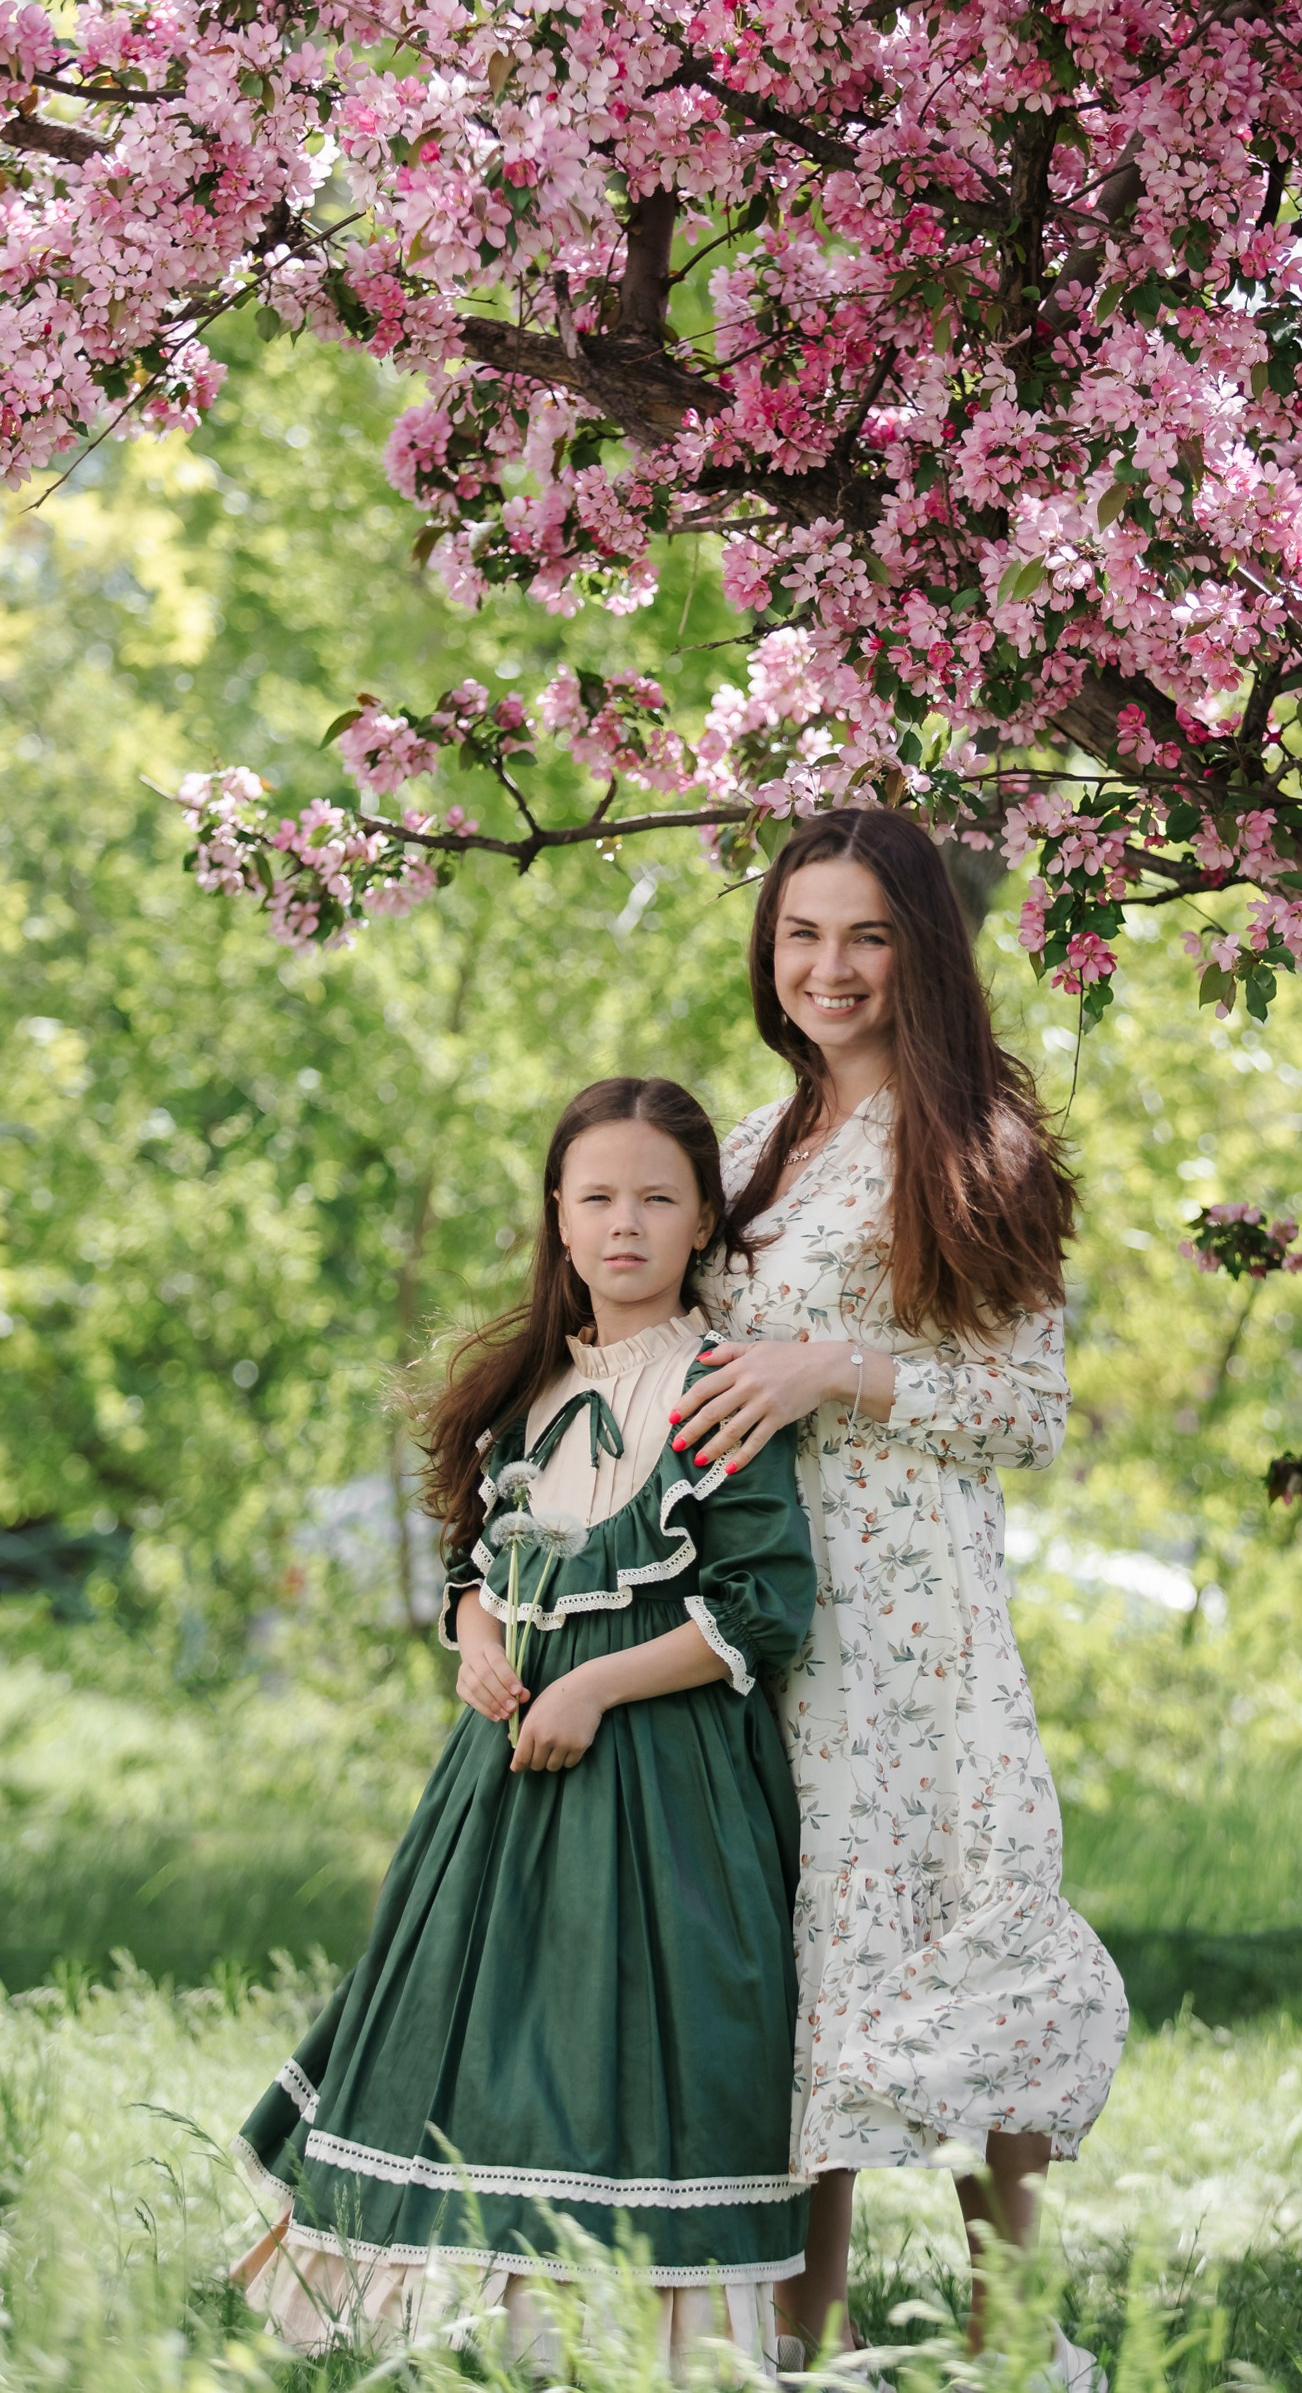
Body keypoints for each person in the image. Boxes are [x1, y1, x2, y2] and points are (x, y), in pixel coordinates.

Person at [232, 1077, 815, 2363]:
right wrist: (480, 1641)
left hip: (663, 1788)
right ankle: (445, 2318)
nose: (625, 1222)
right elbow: (471, 1571)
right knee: (473, 2028)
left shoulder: (719, 1386)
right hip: (497, 1785)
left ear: (704, 1218)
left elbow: (765, 1606)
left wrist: (597, 1683)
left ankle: (623, 2338)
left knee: (627, 2046)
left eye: (657, 1196)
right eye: (596, 1195)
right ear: (556, 1217)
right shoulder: (523, 1397)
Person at [675, 810, 1129, 2366]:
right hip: (768, 1604)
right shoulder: (741, 1149)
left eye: (865, 933)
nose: (830, 966)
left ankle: (1020, 2341)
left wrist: (829, 1368)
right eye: (803, 934)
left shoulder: (968, 1137)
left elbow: (1023, 1409)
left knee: (966, 1924)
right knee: (808, 1961)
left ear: (921, 945)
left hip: (912, 1613)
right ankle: (799, 2344)